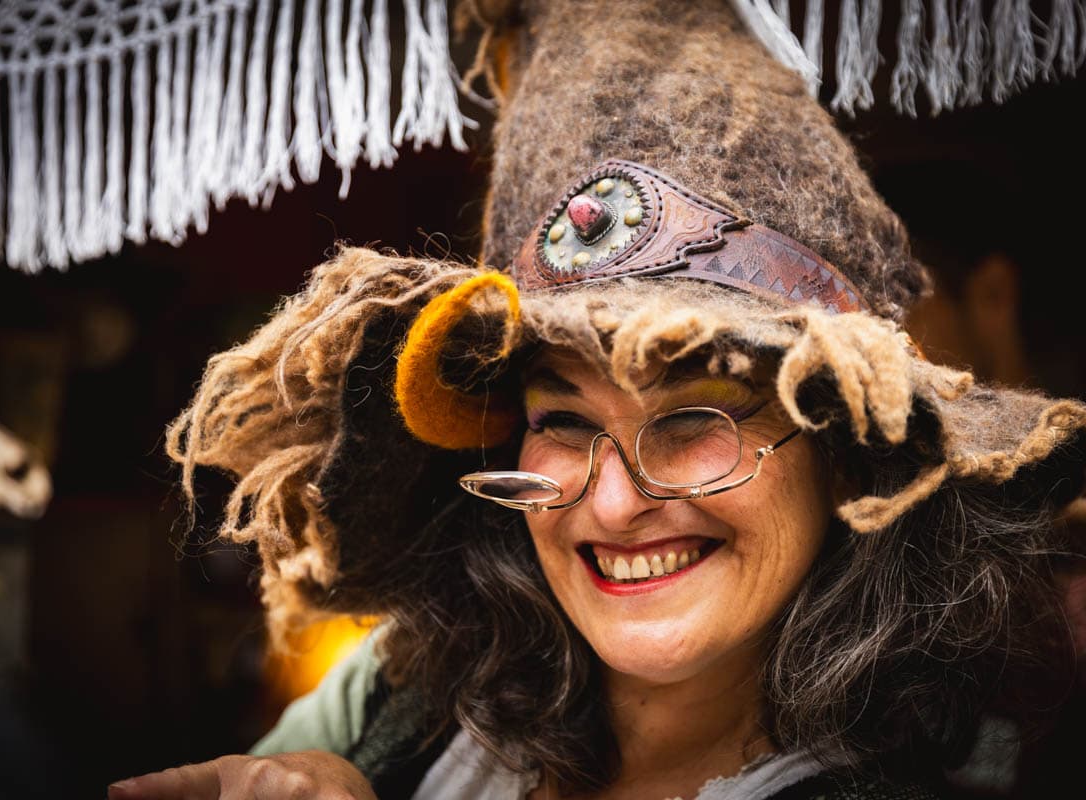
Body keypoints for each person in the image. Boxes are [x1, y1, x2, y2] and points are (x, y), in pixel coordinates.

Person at [109, 1, 1086, 798]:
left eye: (699, 415)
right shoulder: (399, 692)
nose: (611, 504)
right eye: (565, 420)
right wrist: (324, 773)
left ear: (845, 450)